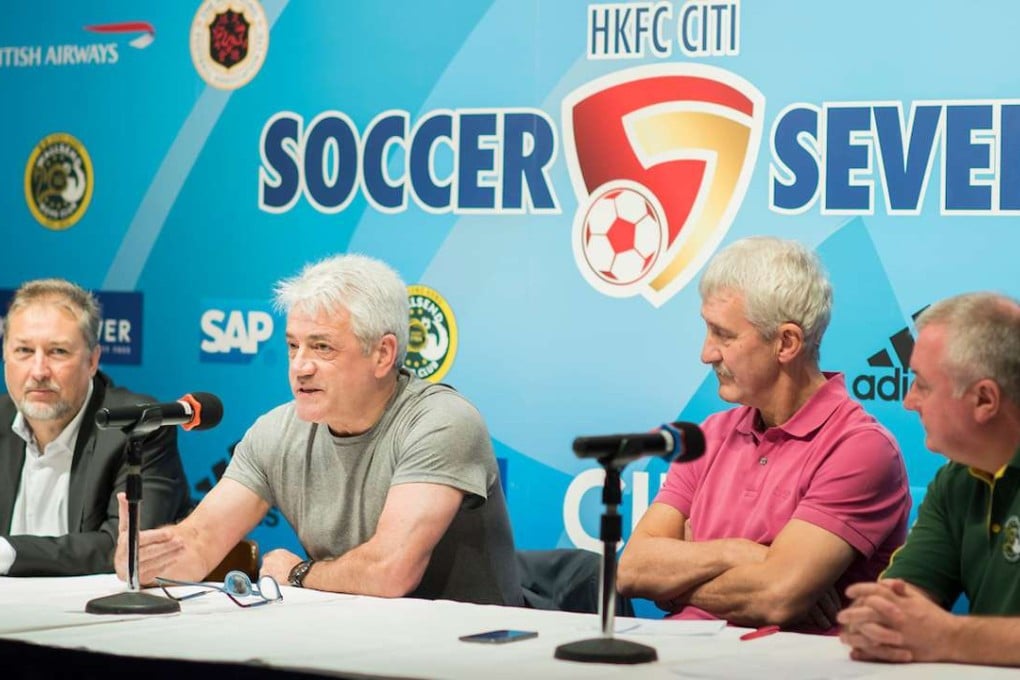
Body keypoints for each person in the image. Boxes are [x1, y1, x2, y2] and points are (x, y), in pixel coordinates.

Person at [117, 254, 522, 605]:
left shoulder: (441, 422)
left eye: (322, 347)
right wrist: (142, 559)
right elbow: (199, 543)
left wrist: (298, 573)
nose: (300, 366)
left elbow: (390, 571)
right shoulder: (276, 432)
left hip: (468, 649)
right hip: (352, 644)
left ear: (383, 354)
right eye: (293, 346)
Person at [618, 236, 910, 632]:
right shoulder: (710, 435)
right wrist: (739, 553)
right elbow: (632, 569)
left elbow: (775, 596)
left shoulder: (861, 448)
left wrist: (675, 585)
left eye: (724, 335)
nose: (706, 353)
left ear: (786, 343)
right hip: (680, 650)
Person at [838, 292, 1020, 665]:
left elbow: (936, 633)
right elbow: (896, 605)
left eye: (922, 384)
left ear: (984, 400)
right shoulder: (956, 480)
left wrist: (950, 637)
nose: (908, 401)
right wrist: (880, 624)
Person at [1, 278, 190, 576]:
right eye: (24, 350)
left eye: (57, 352)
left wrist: (8, 552)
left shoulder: (137, 427)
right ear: (4, 355)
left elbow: (128, 548)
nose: (38, 371)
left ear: (92, 361)